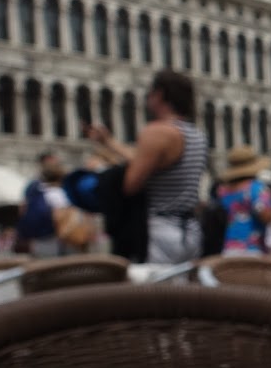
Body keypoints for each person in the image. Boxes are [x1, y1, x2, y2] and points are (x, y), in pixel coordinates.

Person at [85, 70, 208, 264]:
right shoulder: (196, 135)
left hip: (160, 229)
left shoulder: (156, 132)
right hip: (190, 229)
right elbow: (154, 161)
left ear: (159, 95)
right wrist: (109, 142)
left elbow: (131, 184)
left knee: (154, 283)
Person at [211, 146, 271, 255]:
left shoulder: (222, 191)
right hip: (253, 248)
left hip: (228, 248)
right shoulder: (256, 188)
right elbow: (266, 216)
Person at [16, 152, 76, 256]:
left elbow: (22, 209)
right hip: (59, 237)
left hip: (41, 238)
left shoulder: (33, 186)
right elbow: (59, 216)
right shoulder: (60, 191)